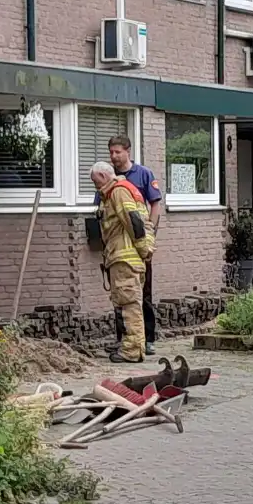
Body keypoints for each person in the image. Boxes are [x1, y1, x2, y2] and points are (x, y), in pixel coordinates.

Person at [94, 135, 163, 356]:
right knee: (126, 300)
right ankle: (127, 342)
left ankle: (137, 347)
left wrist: (146, 247)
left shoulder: (123, 187)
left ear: (128, 151)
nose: (114, 156)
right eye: (111, 152)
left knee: (134, 300)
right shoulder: (114, 188)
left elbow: (136, 219)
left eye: (118, 152)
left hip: (128, 254)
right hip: (124, 254)